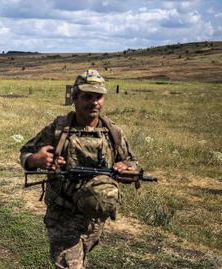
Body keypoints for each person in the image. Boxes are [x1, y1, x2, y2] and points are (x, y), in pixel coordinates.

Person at [19, 69, 139, 269]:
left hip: (96, 217)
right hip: (63, 215)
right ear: (74, 98)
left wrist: (126, 168)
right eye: (87, 97)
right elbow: (25, 153)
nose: (94, 102)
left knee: (81, 261)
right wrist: (34, 159)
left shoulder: (113, 132)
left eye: (98, 97)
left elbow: (132, 162)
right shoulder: (58, 129)